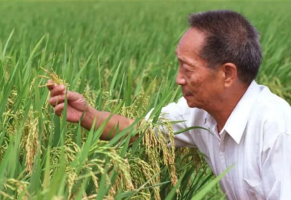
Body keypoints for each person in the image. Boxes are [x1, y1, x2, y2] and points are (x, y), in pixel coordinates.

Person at [47, 10, 291, 200]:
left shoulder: (276, 128)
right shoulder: (198, 114)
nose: (178, 79)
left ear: (227, 74)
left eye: (188, 68)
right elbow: (142, 132)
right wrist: (87, 115)